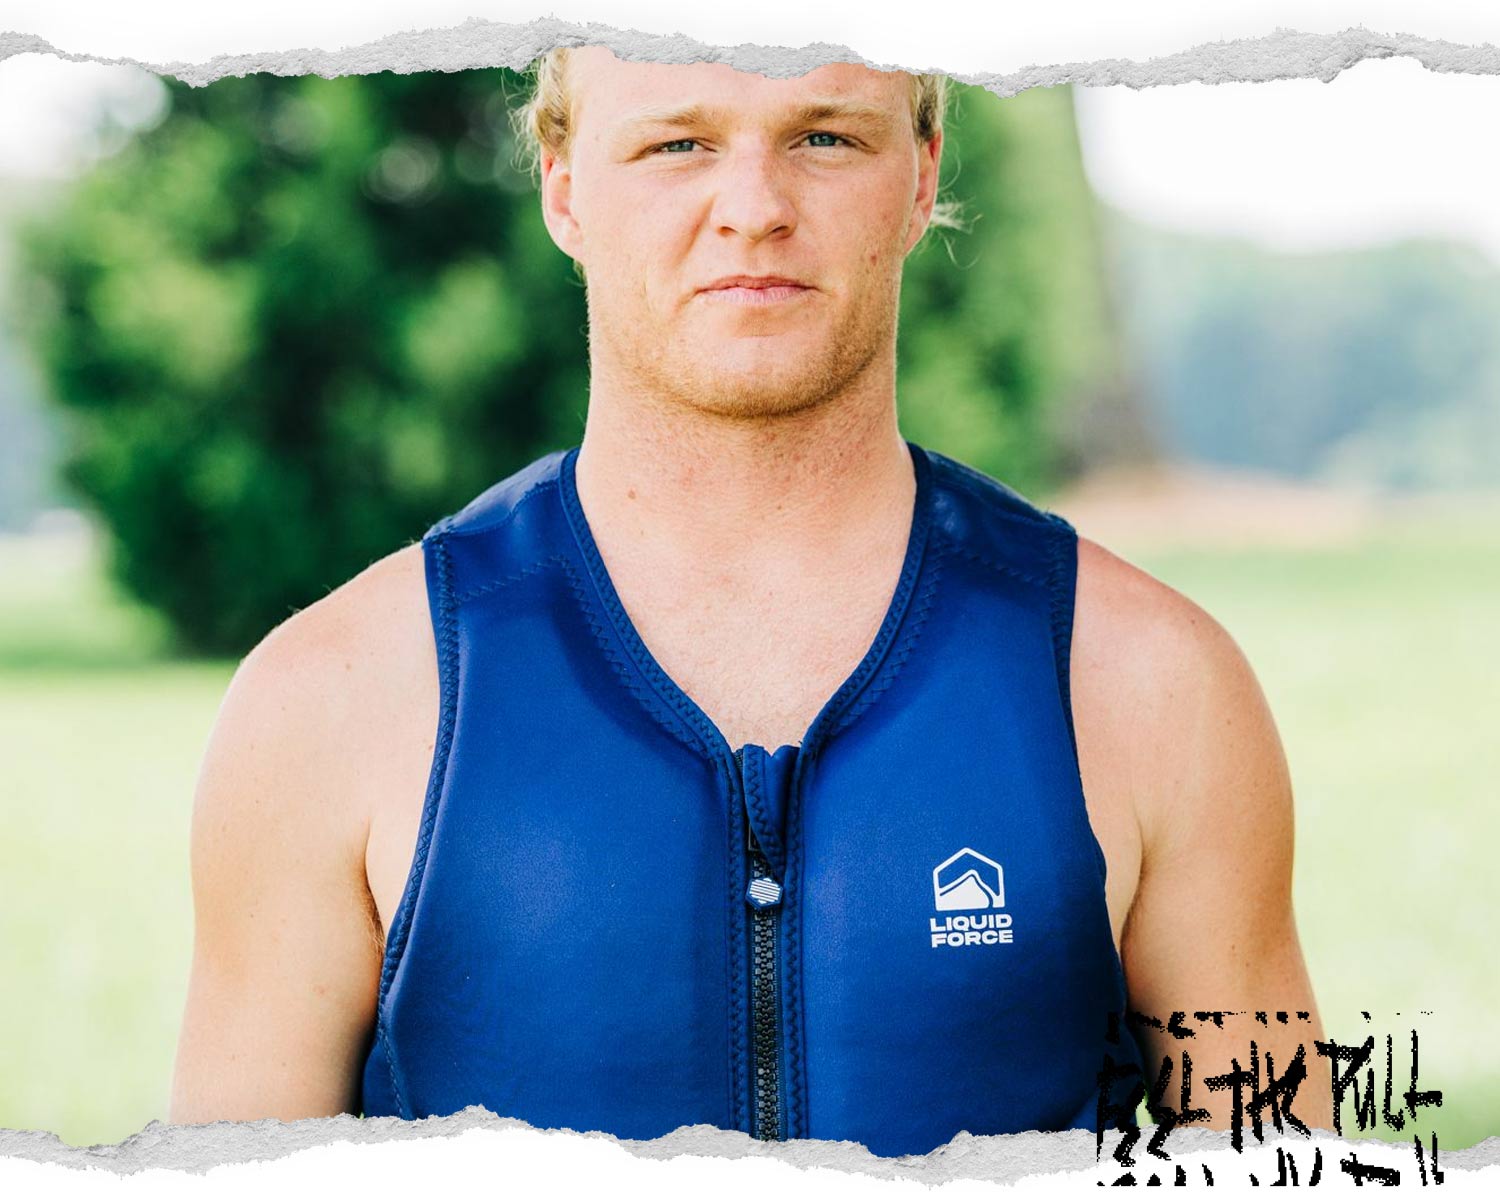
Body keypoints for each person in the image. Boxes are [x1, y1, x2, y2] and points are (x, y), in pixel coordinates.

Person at [170, 46, 1330, 1155]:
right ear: (565, 192)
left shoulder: (1150, 685)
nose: (754, 205)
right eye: (677, 145)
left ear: (921, 178)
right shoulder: (333, 704)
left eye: (824, 136)